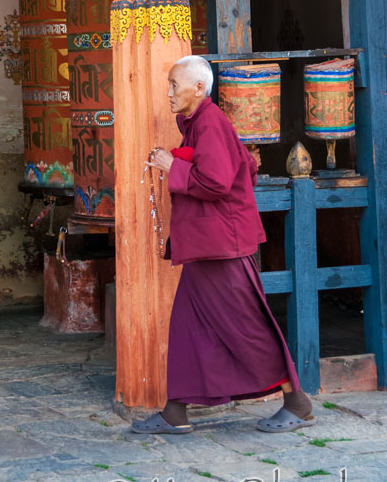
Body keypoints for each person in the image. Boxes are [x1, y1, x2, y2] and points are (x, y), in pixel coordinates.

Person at [131, 55, 315, 434]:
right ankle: (175, 412)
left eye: (173, 85)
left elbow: (216, 183)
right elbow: (245, 164)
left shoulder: (210, 123)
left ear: (199, 88)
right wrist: (181, 159)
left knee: (245, 327)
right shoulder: (198, 125)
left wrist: (173, 166)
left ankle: (297, 402)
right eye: (168, 85)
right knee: (188, 326)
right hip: (207, 246)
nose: (168, 93)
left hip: (223, 248)